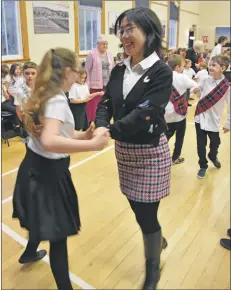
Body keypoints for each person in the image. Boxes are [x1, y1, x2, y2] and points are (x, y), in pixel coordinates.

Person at [12, 48, 109, 290]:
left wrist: (83, 136)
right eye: (77, 71)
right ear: (67, 71)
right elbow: (49, 140)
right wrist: (93, 145)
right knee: (57, 236)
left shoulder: (47, 94)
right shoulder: (55, 100)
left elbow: (58, 133)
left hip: (36, 169)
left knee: (40, 218)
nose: (79, 75)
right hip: (47, 175)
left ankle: (29, 253)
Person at [95, 7, 172, 290]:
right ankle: (155, 237)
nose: (125, 36)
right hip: (124, 153)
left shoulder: (161, 71)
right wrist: (102, 125)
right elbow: (105, 103)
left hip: (150, 153)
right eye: (122, 30)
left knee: (146, 214)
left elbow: (147, 114)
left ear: (149, 33)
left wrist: (108, 132)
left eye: (131, 29)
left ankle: (153, 265)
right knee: (136, 207)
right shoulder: (118, 68)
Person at [194, 55, 230, 179]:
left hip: (214, 120)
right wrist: (196, 91)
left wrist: (228, 123)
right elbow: (199, 93)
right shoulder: (205, 79)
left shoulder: (227, 87)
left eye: (214, 65)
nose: (210, 67)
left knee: (215, 142)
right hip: (200, 117)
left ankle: (213, 156)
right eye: (210, 64)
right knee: (200, 144)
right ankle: (202, 165)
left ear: (223, 68)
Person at [165, 54, 199, 164]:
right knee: (179, 137)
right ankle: (175, 157)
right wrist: (193, 91)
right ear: (177, 67)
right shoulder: (182, 77)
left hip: (165, 113)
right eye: (183, 66)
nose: (183, 68)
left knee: (165, 136)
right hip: (179, 113)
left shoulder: (163, 75)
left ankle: (159, 155)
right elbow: (196, 86)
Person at [85, 34, 114, 123]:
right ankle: (93, 122)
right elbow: (86, 70)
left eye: (106, 44)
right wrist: (87, 85)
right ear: (98, 44)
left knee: (105, 104)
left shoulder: (109, 54)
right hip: (95, 85)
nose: (105, 46)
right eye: (103, 44)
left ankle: (103, 121)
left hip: (107, 84)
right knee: (94, 106)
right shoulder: (92, 54)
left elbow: (112, 68)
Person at [14, 62, 38, 143]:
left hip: (41, 119)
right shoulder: (19, 90)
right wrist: (24, 121)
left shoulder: (42, 88)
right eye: (27, 73)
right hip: (27, 119)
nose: (30, 76)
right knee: (29, 144)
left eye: (33, 73)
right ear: (23, 73)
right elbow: (18, 108)